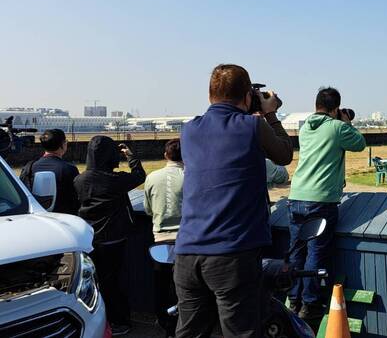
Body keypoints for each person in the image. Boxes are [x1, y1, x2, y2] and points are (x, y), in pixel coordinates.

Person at [174, 64, 293, 338]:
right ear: (248, 96)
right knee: (241, 332)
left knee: (190, 333)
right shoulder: (252, 126)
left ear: (209, 96)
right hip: (233, 253)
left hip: (188, 252)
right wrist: (270, 113)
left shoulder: (189, 130)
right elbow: (284, 155)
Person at [288, 87, 366, 319]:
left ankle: (293, 300)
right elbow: (360, 143)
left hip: (296, 197)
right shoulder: (337, 127)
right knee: (316, 252)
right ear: (335, 109)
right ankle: (309, 304)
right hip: (320, 200)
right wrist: (346, 123)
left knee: (296, 252)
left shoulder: (305, 127)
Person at [75, 136, 146, 336]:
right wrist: (131, 156)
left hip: (89, 238)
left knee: (96, 282)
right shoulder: (115, 180)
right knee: (114, 282)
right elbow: (139, 176)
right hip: (113, 238)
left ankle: (100, 319)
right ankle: (120, 321)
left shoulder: (80, 180)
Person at [143, 138, 183, 338]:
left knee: (162, 285)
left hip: (160, 239)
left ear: (166, 155)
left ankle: (164, 321)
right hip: (185, 240)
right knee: (183, 287)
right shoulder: (190, 176)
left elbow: (148, 209)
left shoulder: (152, 177)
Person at [20, 129, 80, 214]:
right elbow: (76, 198)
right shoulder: (69, 169)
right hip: (63, 216)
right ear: (63, 145)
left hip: (36, 215)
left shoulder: (29, 168)